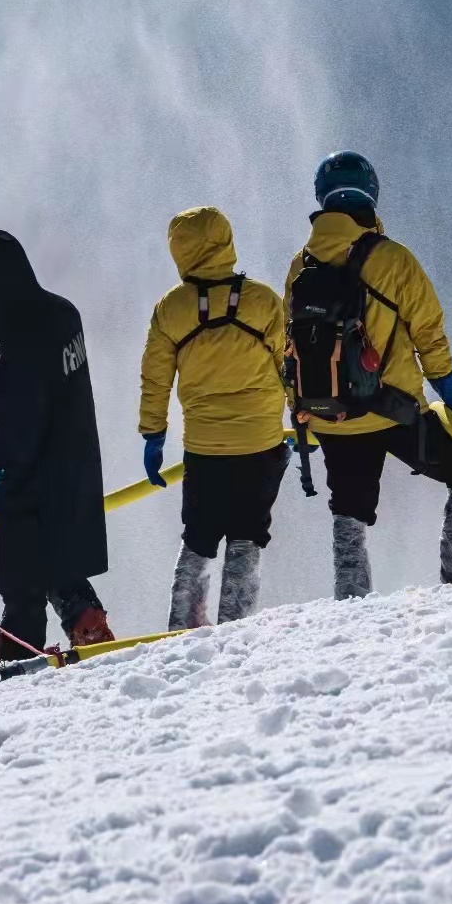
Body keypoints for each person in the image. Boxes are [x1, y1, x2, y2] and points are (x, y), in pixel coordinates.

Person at [282, 152, 452, 599]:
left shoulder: (301, 265)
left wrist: (297, 412)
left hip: (328, 415)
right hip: (395, 410)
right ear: (371, 194)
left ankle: (350, 605)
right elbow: (428, 330)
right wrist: (445, 385)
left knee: (348, 513)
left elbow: (289, 347)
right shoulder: (393, 258)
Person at [0, 230, 115, 660]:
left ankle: (16, 668)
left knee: (24, 586)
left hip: (33, 485)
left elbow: (19, 419)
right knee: (59, 566)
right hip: (70, 472)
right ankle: (90, 634)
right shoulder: (62, 314)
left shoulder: (27, 335)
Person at [138, 207, 290, 629]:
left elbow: (156, 379)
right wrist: (301, 421)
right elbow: (289, 367)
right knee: (247, 536)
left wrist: (153, 434)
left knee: (199, 536)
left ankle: (182, 627)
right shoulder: (263, 300)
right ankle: (235, 627)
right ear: (226, 240)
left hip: (204, 447)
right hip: (262, 442)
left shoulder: (171, 309)